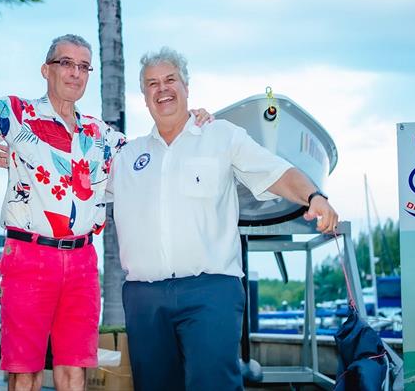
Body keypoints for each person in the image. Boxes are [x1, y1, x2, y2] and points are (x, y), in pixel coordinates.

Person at [0, 26, 209, 391]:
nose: (75, 73)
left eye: (84, 67)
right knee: (26, 373)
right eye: (66, 63)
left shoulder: (102, 136)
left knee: (75, 372)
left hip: (83, 263)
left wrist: (191, 120)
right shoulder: (18, 113)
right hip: (28, 255)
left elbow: (154, 157)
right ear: (46, 70)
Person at [107, 47, 339, 390]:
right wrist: (19, 160)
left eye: (170, 79)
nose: (162, 89)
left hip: (210, 291)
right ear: (144, 96)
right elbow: (75, 187)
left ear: (186, 86)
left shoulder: (222, 136)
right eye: (152, 83)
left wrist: (314, 196)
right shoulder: (126, 156)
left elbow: (276, 172)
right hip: (144, 298)